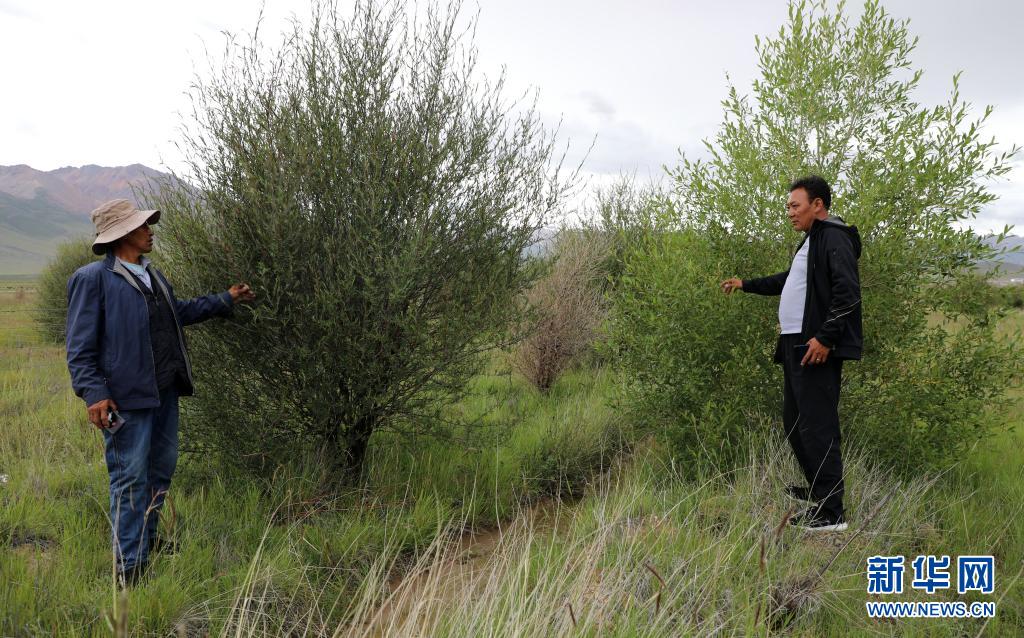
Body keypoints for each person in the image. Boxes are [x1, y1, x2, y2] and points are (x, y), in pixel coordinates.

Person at [66, 198, 256, 585]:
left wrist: (225, 300)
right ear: (122, 234)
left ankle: (148, 542)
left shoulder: (153, 274)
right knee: (129, 478)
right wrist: (94, 393)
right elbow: (79, 348)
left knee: (159, 472)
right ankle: (129, 568)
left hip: (164, 392)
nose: (150, 231)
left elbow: (177, 313)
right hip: (125, 400)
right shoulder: (93, 279)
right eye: (142, 226)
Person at [721, 175, 862, 532]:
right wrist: (746, 284)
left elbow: (848, 293)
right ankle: (820, 489)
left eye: (795, 205)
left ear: (818, 204)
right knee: (796, 422)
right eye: (788, 206)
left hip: (814, 345)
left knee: (818, 426)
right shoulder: (812, 240)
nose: (789, 212)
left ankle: (832, 513)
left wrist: (825, 338)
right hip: (796, 343)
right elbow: (788, 281)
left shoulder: (834, 236)